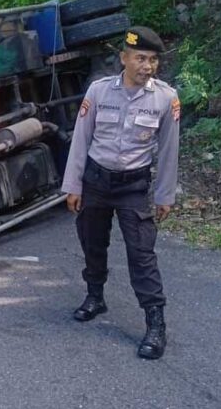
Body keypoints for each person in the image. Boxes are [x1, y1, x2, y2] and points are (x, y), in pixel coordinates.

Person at [61, 26, 180, 360]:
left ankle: (155, 323)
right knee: (92, 241)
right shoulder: (98, 92)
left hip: (133, 186)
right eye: (141, 58)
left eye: (153, 60)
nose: (148, 66)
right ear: (124, 59)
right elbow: (81, 139)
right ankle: (95, 296)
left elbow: (170, 149)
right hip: (96, 182)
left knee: (142, 253)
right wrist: (73, 185)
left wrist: (164, 194)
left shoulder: (165, 98)